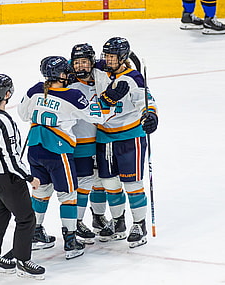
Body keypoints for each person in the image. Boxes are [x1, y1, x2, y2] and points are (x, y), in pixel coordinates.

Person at [17, 56, 113, 259]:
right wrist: (107, 99)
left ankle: (35, 233)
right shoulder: (73, 95)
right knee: (68, 196)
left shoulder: (35, 90)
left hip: (34, 150)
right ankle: (70, 241)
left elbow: (23, 114)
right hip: (58, 152)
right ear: (61, 75)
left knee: (41, 192)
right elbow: (98, 117)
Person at [0, 74, 45, 279]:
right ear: (7, 94)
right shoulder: (4, 121)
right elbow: (10, 156)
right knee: (26, 218)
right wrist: (29, 177)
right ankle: (23, 261)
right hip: (8, 178)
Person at [93, 37, 159, 248]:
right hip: (104, 137)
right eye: (106, 56)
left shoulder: (134, 78)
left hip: (130, 137)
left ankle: (139, 225)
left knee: (132, 184)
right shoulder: (99, 70)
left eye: (112, 56)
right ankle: (118, 222)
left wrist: (150, 116)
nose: (108, 59)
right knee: (110, 184)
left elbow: (146, 101)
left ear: (123, 57)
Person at [68, 43, 110, 244]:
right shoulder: (69, 85)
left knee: (100, 181)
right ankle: (75, 222)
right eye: (76, 63)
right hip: (81, 142)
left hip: (102, 139)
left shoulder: (102, 77)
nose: (80, 67)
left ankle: (98, 217)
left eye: (84, 62)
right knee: (83, 183)